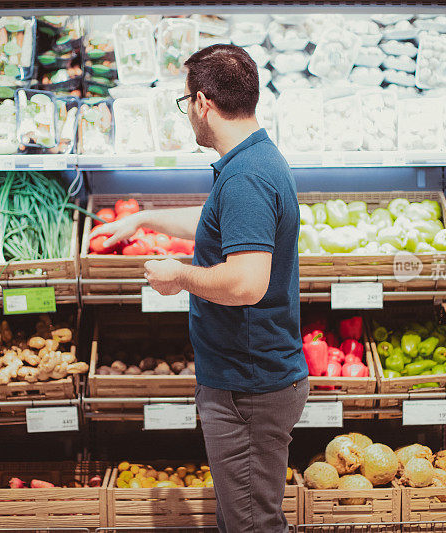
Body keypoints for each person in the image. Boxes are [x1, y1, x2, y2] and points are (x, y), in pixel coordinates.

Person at [90, 44, 308, 533]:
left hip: (248, 386)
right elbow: (220, 224)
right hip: (251, 378)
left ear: (203, 102)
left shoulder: (246, 176)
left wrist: (180, 277)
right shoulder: (254, 160)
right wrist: (145, 218)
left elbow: (248, 284)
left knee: (253, 525)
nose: (187, 112)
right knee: (248, 517)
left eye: (184, 101)